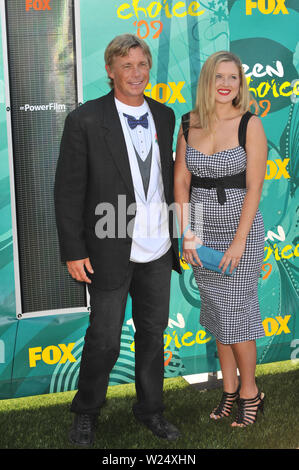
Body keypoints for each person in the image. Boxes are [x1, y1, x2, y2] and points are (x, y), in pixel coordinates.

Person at [54, 33, 181, 446]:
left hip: (158, 249)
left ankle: (151, 410)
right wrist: (73, 250)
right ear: (109, 71)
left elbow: (168, 181)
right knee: (105, 339)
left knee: (152, 335)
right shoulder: (85, 120)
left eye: (142, 64)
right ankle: (86, 411)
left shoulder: (165, 115)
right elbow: (68, 191)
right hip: (109, 247)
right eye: (126, 65)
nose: (136, 72)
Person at [174, 51, 267, 427]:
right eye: (219, 77)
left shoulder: (250, 125)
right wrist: (186, 232)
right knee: (215, 313)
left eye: (233, 77)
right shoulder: (188, 123)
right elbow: (181, 180)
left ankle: (251, 393)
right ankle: (229, 389)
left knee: (236, 315)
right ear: (207, 82)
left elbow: (255, 186)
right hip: (200, 231)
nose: (227, 84)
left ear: (240, 84)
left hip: (238, 231)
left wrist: (240, 241)